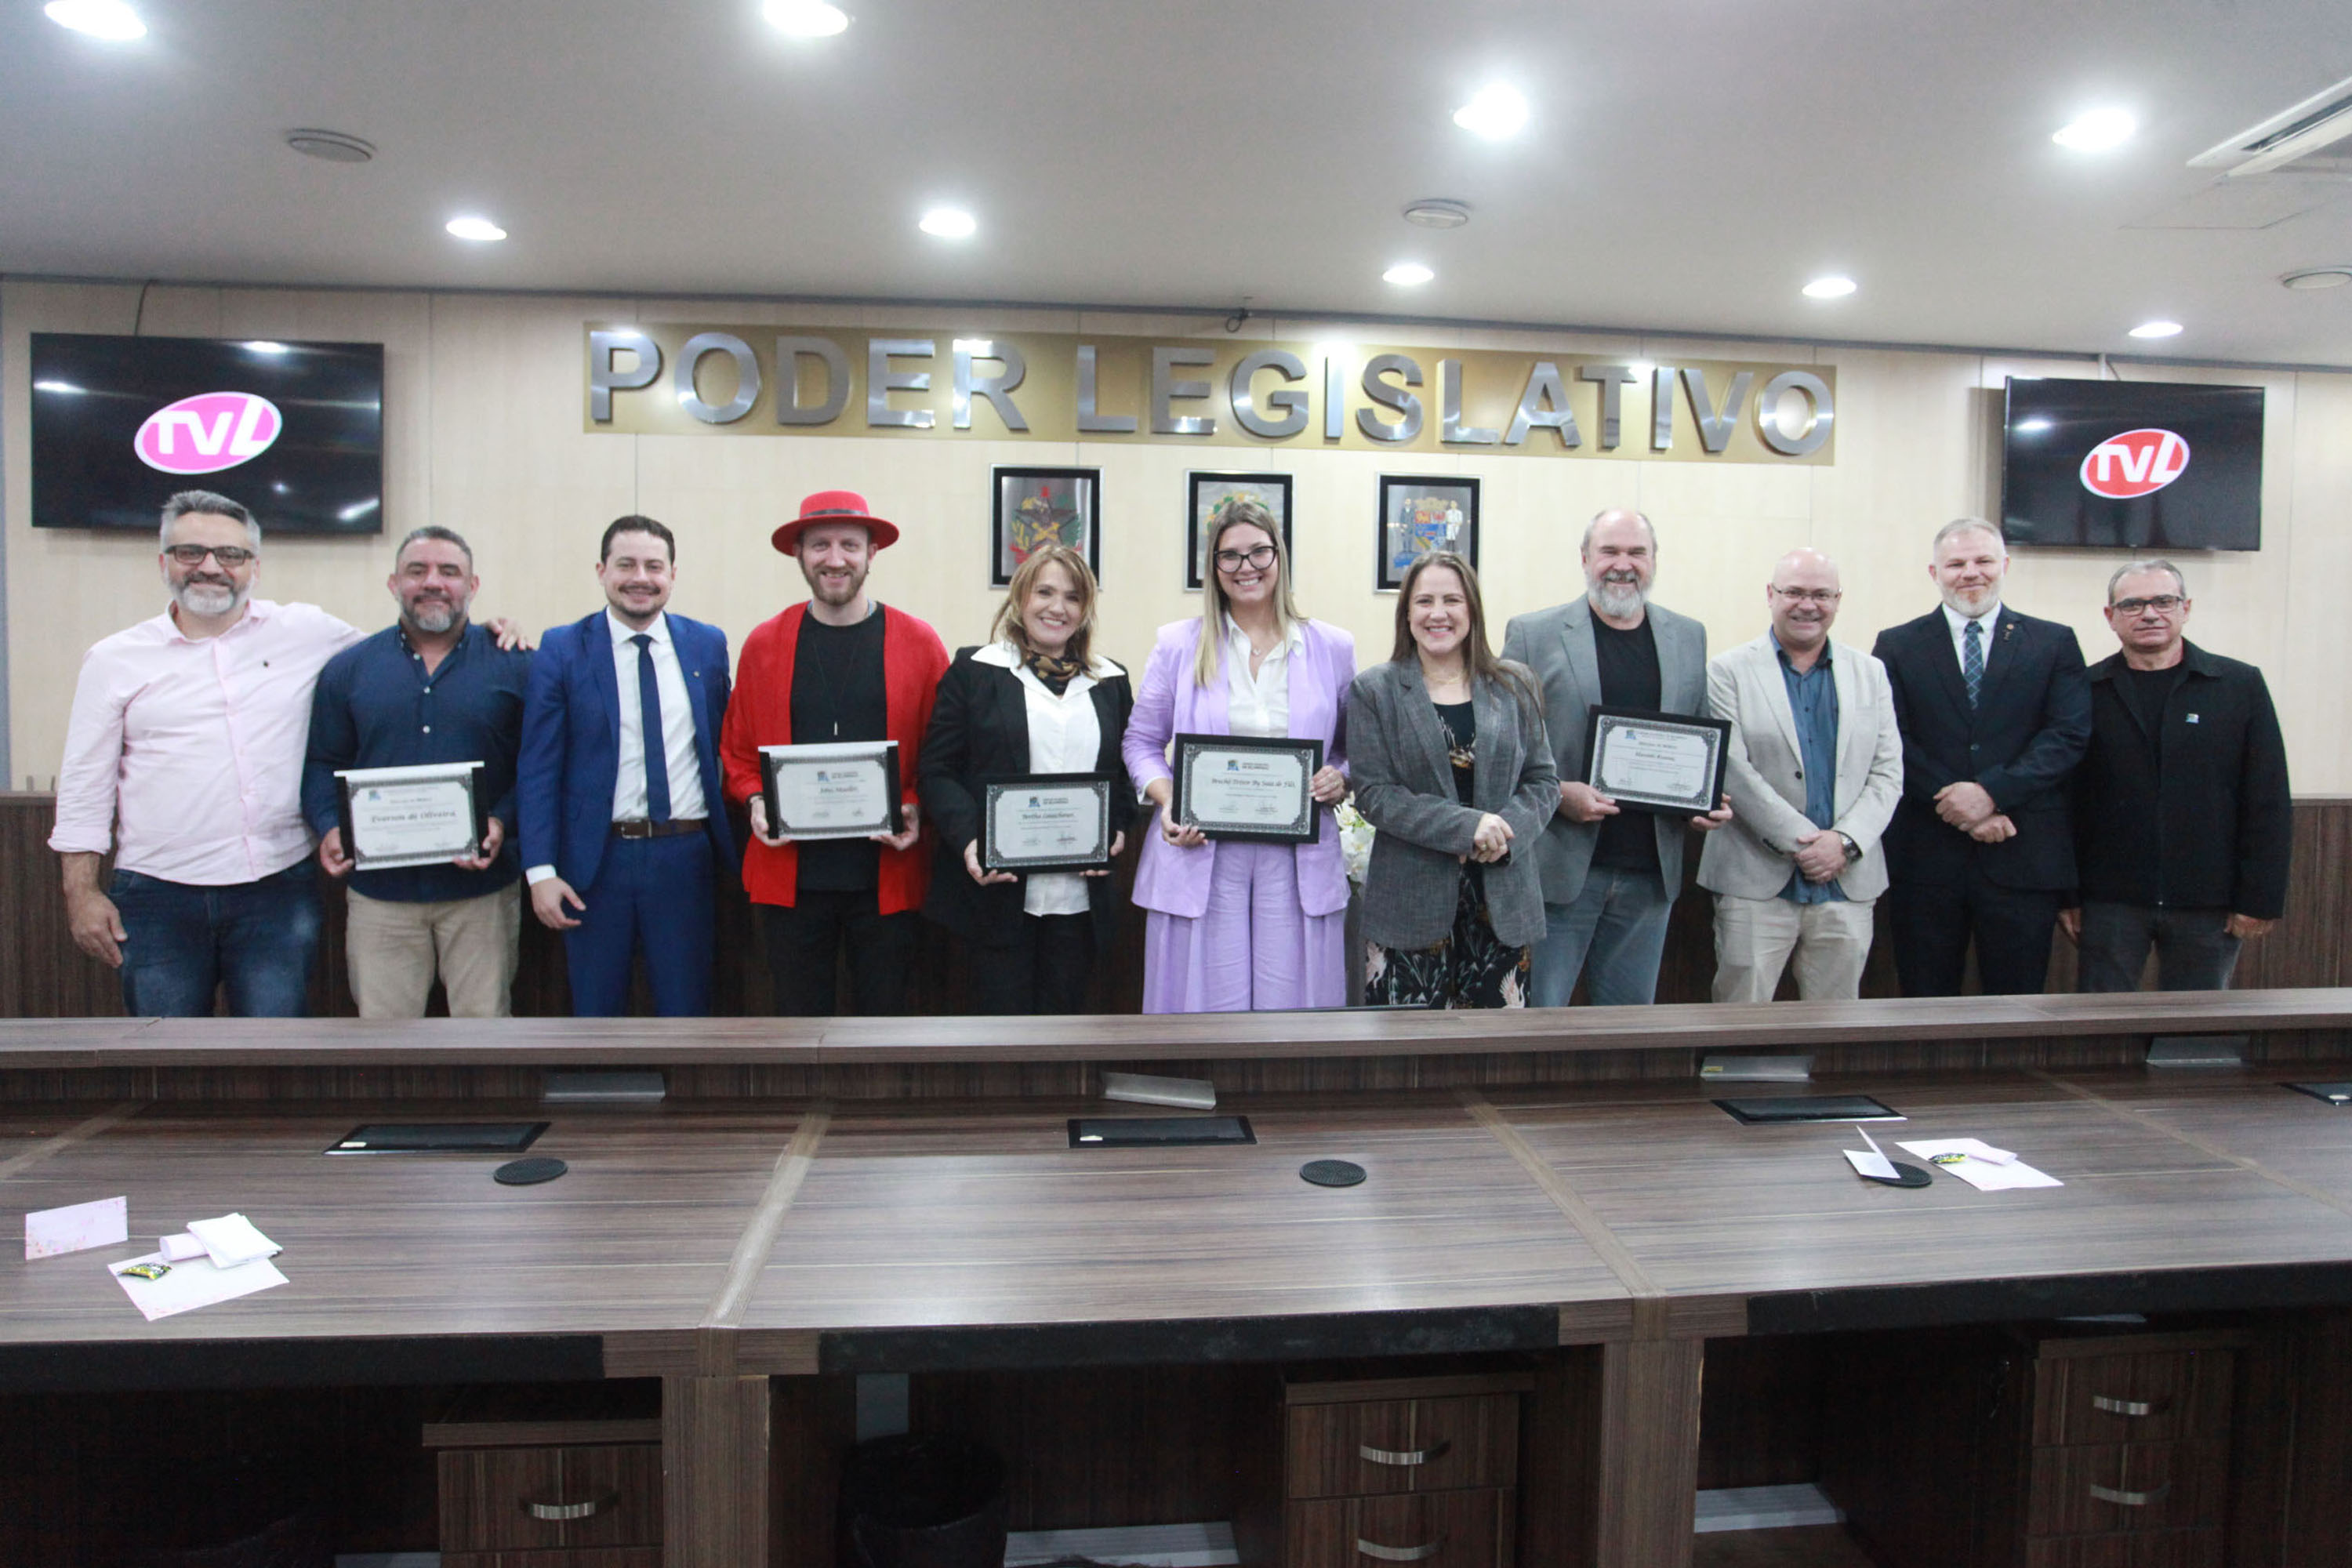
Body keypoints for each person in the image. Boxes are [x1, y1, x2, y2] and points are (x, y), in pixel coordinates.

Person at [51, 491, 359, 1016]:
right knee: (165, 1063)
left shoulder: (307, 632)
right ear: (164, 562)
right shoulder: (114, 659)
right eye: (191, 552)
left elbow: (397, 659)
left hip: (277, 890)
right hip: (155, 897)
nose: (211, 568)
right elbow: (85, 786)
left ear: (254, 568)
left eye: (231, 555)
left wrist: (491, 637)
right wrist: (81, 894)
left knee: (273, 1057)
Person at [720, 490, 948, 1016]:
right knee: (797, 1022)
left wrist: (912, 802)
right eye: (820, 545)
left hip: (887, 871)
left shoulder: (919, 643)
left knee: (885, 1022)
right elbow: (736, 752)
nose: (835, 558)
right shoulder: (765, 644)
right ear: (800, 554)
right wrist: (755, 798)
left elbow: (943, 755)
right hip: (791, 876)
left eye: (850, 544)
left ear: (872, 554)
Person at [1122, 499, 1353, 1011]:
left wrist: (1339, 777)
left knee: (1292, 1007)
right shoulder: (1178, 645)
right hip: (1200, 849)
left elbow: (1350, 749)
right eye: (1230, 556)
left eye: (1258, 552)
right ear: (1214, 567)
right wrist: (1167, 803)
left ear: (1280, 556)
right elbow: (1140, 744)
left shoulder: (1332, 647)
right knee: (1203, 1008)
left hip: (1297, 855)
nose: (1246, 567)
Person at [1500, 508, 1730, 1007]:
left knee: (1629, 1029)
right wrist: (1560, 794)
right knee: (1540, 1021)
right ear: (1585, 559)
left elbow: (1699, 735)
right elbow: (1503, 750)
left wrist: (1706, 799)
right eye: (1609, 551)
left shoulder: (1688, 636)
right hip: (1561, 870)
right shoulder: (1532, 634)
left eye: (1636, 553)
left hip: (1651, 874)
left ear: (1653, 562)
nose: (1622, 564)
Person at [301, 527, 532, 1018]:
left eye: (449, 572)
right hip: (381, 899)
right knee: (386, 1046)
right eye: (417, 571)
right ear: (393, 583)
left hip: (482, 896)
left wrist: (501, 821)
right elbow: (323, 761)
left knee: (486, 1037)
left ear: (473, 585)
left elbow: (536, 766)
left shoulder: (517, 664)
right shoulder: (349, 669)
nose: (433, 582)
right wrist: (328, 825)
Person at [517, 515, 735, 1016]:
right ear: (601, 571)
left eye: (654, 566)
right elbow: (538, 768)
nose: (641, 577)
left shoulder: (707, 644)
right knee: (596, 1012)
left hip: (686, 856)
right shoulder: (562, 648)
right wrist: (540, 871)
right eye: (626, 564)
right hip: (595, 862)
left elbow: (725, 741)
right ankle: (601, 1097)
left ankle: (686, 1098)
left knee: (688, 1009)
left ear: (673, 574)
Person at [1871, 518, 2090, 996]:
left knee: (2016, 1003)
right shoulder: (1897, 645)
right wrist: (1960, 807)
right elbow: (1891, 739)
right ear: (1935, 573)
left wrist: (1991, 794)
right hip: (1926, 859)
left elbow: (2067, 736)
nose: (1970, 572)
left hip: (2022, 854)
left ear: (2005, 566)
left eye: (1983, 561)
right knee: (1924, 1000)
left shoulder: (2053, 643)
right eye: (1956, 563)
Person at [920, 544, 1134, 1014]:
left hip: (1079, 897)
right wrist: (971, 841)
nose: (1058, 607)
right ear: (1020, 598)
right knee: (1000, 1042)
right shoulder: (975, 672)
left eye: (1073, 597)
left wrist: (1114, 831)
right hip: (995, 897)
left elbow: (1123, 774)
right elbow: (937, 771)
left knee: (1066, 1036)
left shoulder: (1111, 681)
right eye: (1045, 592)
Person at [2061, 560, 2291, 991]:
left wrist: (2259, 898)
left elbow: (2267, 798)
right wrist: (2067, 896)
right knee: (2101, 1029)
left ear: (2186, 608)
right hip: (2109, 899)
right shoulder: (2084, 691)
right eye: (2132, 604)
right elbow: (2066, 800)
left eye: (2163, 601)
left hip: (2209, 900)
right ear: (2110, 617)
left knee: (2194, 1033)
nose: (2149, 614)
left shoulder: (2238, 685)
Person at [1348, 552, 1557, 1008]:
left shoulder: (1516, 684)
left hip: (1502, 903)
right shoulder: (1374, 691)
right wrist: (1467, 828)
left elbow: (1543, 781)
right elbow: (1374, 795)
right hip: (1408, 907)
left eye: (1452, 600)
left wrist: (1503, 832)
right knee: (1406, 1059)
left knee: (1493, 1058)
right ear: (1406, 613)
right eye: (1424, 601)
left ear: (1473, 610)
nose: (1437, 613)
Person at [1698, 548, 1904, 1002]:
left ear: (1837, 600)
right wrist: (1807, 844)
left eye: (1821, 594)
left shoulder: (1871, 673)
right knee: (1739, 1020)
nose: (1807, 605)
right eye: (1794, 592)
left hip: (1847, 882)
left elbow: (1888, 774)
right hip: (1754, 879)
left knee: (1835, 1030)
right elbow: (1732, 769)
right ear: (1770, 595)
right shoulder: (1727, 671)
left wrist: (1844, 843)